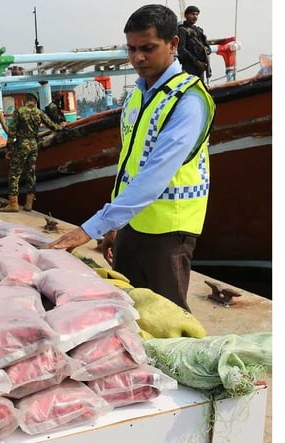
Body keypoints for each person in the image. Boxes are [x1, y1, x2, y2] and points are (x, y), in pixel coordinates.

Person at [48, 4, 216, 313]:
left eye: (148, 48)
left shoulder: (188, 101)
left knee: (168, 319)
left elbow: (155, 174)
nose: (138, 57)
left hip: (169, 230)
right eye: (132, 49)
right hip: (131, 224)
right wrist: (115, 225)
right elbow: (128, 165)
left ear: (173, 44)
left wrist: (91, 228)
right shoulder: (138, 95)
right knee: (127, 309)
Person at [0, 91, 65, 212]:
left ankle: (13, 203)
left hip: (21, 145)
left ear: (26, 99)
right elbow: (52, 126)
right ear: (35, 101)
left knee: (14, 174)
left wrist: (9, 149)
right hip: (34, 145)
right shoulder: (39, 112)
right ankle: (29, 203)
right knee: (31, 173)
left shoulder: (19, 111)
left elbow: (12, 131)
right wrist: (62, 126)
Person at [177, 5, 211, 83]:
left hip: (201, 67)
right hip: (189, 66)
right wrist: (196, 62)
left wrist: (206, 50)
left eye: (196, 14)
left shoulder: (199, 31)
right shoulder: (182, 30)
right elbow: (181, 49)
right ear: (186, 15)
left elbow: (208, 47)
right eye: (192, 14)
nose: (195, 16)